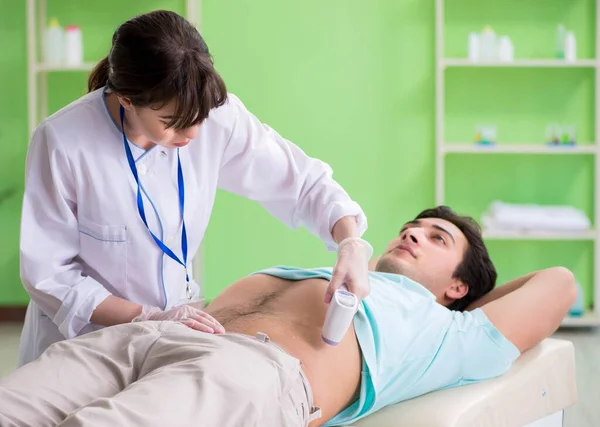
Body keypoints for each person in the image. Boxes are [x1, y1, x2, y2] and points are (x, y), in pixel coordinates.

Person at [1, 206, 576, 427]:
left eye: (436, 237)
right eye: (412, 226)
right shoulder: (336, 270)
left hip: (250, 374)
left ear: (458, 284)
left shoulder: (445, 330)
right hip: (147, 335)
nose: (412, 234)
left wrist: (471, 304)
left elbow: (559, 282)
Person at [17, 9, 372, 366]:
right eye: (171, 123)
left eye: (200, 119)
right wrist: (145, 317)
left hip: (172, 334)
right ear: (126, 99)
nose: (192, 136)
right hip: (82, 342)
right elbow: (50, 274)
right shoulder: (63, 140)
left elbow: (303, 182)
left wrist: (350, 242)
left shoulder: (217, 114)